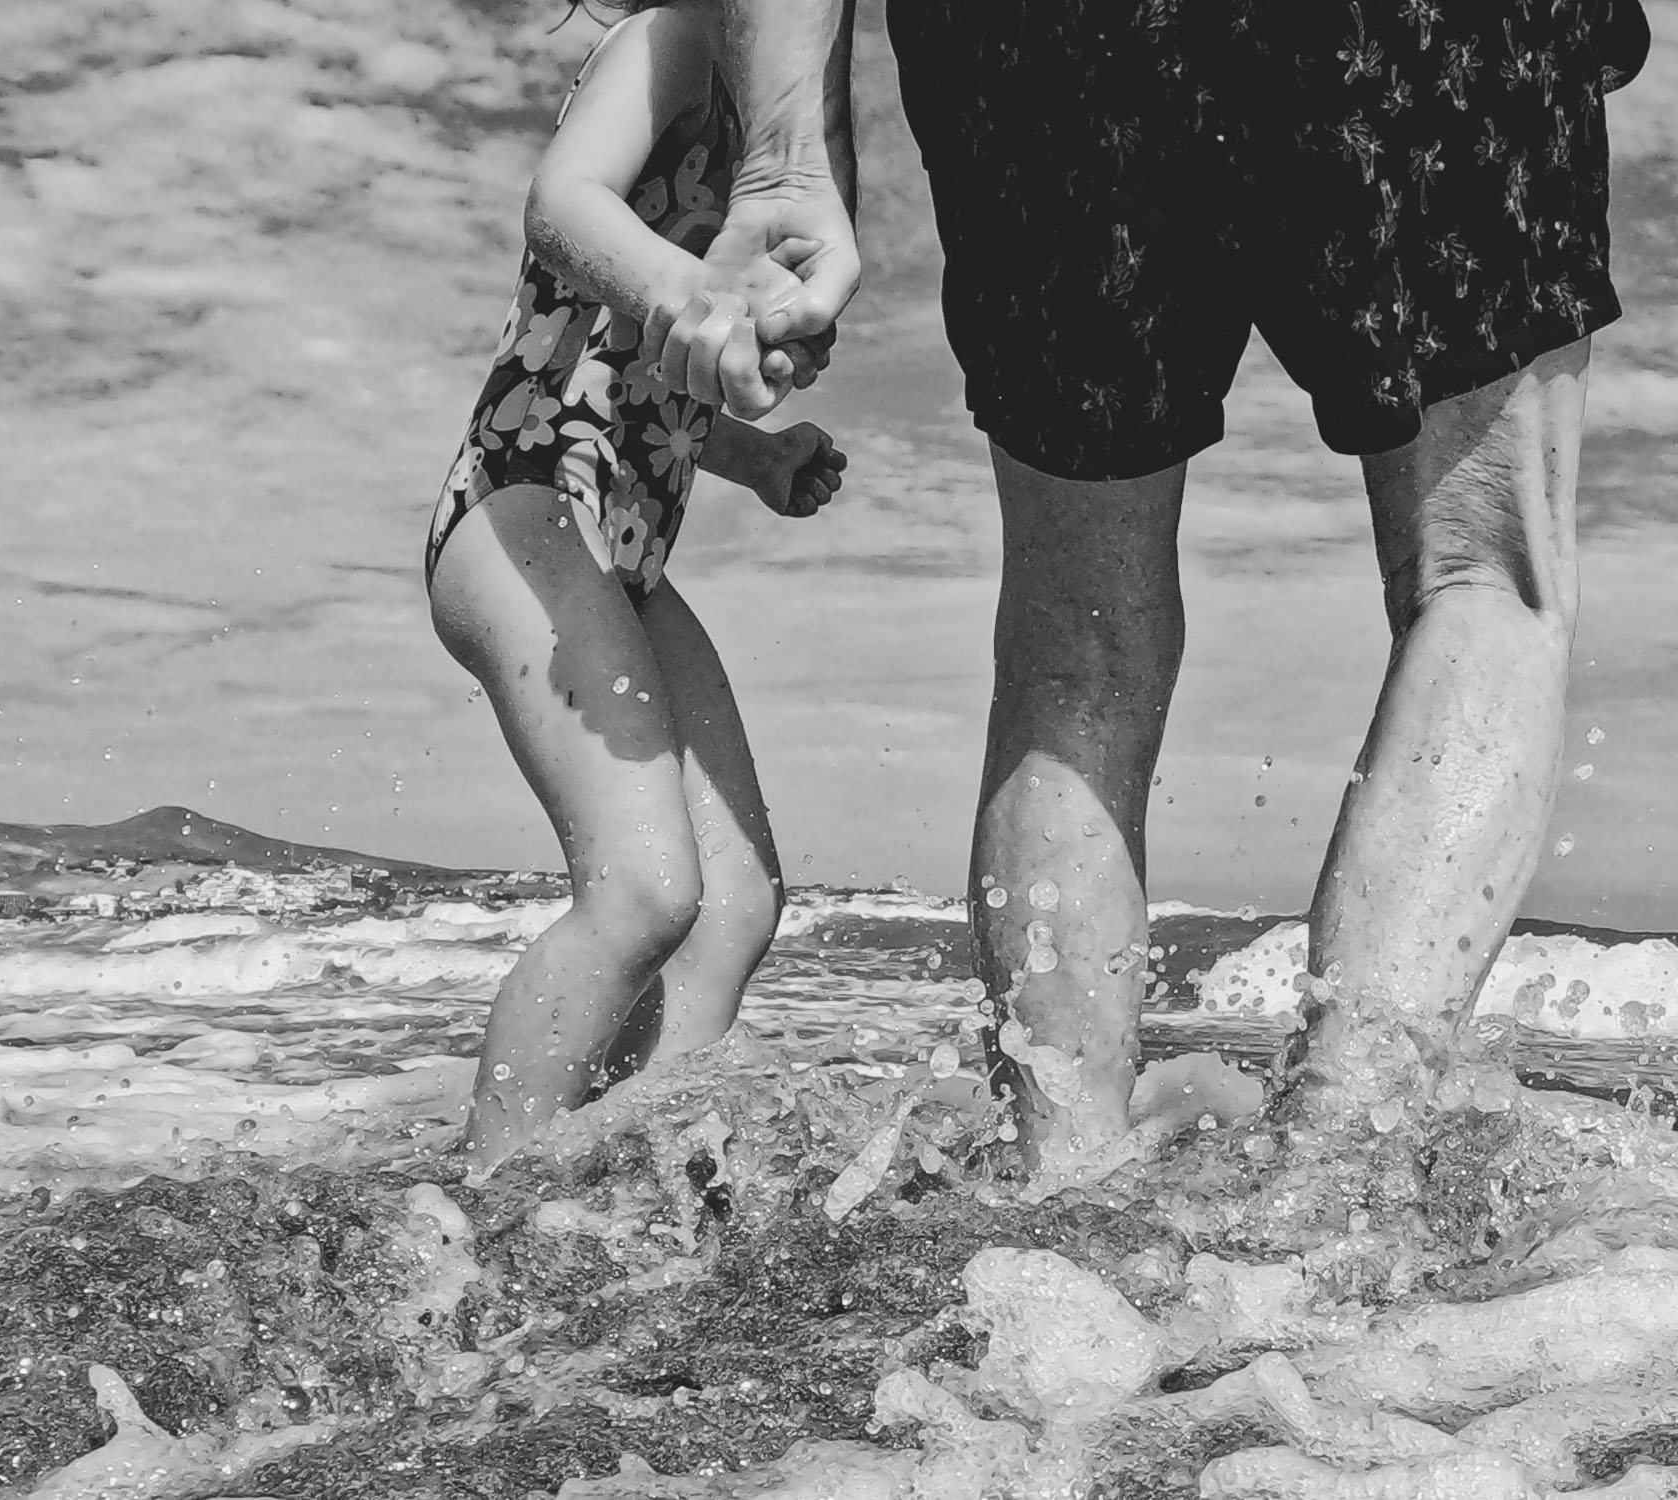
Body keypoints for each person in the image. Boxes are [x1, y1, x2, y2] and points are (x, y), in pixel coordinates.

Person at [667, 0, 1651, 1168]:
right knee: (1480, 579)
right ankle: (1331, 1173)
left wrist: (784, 162)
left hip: (1036, 41)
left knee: (1072, 658)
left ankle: (1058, 1191)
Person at [427, 0, 849, 1168]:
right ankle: (488, 1199)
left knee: (732, 912)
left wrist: (759, 452)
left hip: (630, 550)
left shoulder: (796, 116)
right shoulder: (668, 40)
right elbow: (563, 209)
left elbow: (656, 383)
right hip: (520, 504)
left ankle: (617, 1182)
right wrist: (700, 294)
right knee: (646, 889)